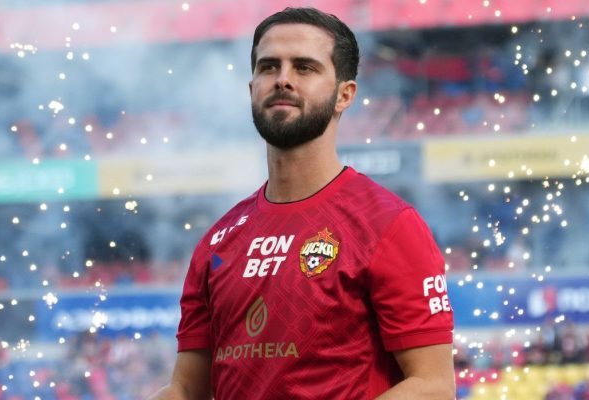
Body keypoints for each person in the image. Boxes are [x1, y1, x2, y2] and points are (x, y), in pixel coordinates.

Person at [151, 7, 455, 400]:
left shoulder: (389, 225)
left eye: (305, 68)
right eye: (268, 67)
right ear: (251, 88)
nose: (283, 80)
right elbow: (186, 389)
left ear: (344, 95)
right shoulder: (217, 242)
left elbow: (433, 386)